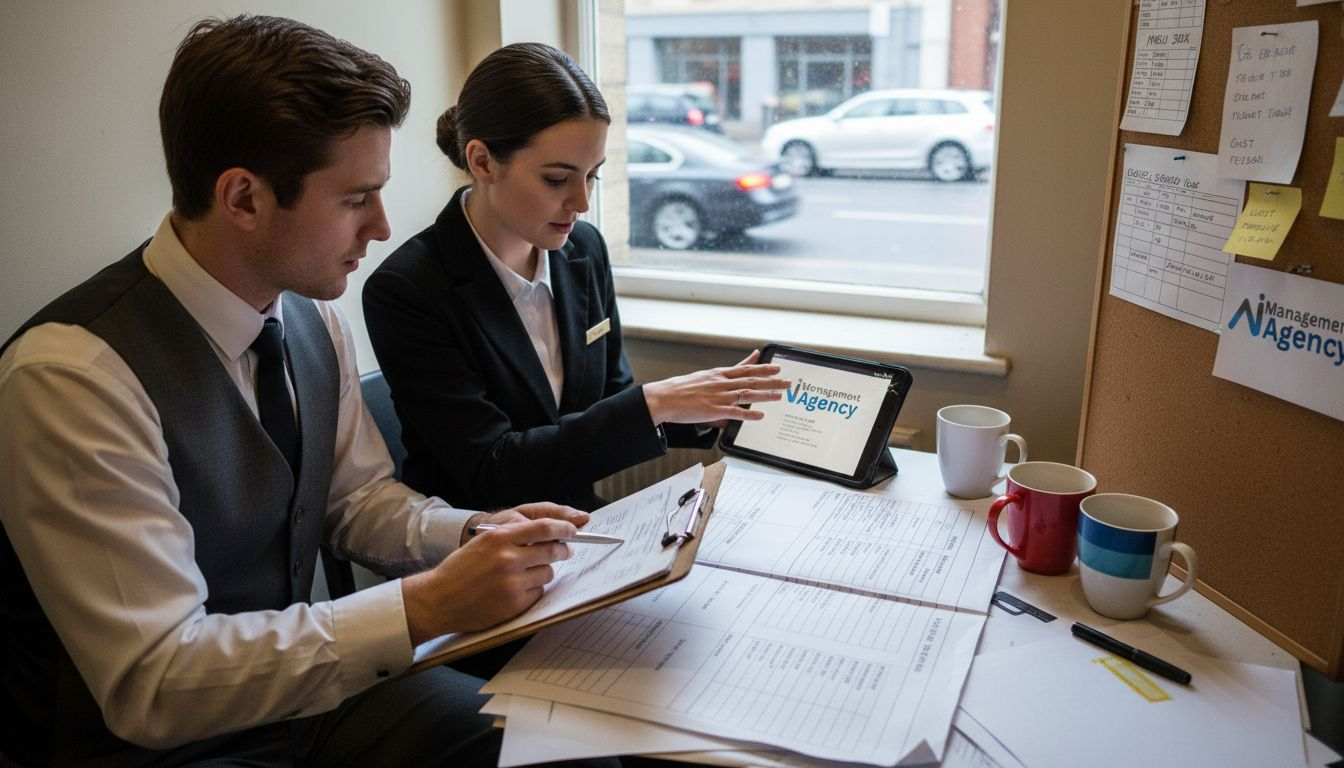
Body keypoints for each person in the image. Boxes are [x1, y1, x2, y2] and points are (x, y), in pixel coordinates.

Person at [0, 16, 612, 768]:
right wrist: (424, 606)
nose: (383, 228)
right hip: (158, 746)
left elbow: (354, 503)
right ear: (243, 198)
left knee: (565, 754)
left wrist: (475, 534)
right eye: (357, 199)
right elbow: (155, 681)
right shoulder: (72, 377)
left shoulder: (313, 317)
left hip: (312, 695)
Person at [362, 42, 789, 513]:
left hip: (582, 524)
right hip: (479, 547)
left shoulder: (583, 249)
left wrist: (713, 411)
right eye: (556, 179)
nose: (582, 202)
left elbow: (607, 402)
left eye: (592, 176)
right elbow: (491, 468)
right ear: (482, 162)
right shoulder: (407, 289)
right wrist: (655, 403)